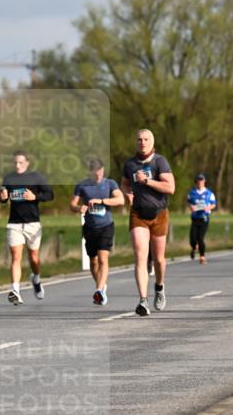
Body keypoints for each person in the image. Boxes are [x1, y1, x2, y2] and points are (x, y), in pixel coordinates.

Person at [121, 129, 175, 316]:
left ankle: (159, 287)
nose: (142, 142)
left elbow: (170, 187)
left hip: (159, 213)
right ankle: (143, 300)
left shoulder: (160, 162)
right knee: (140, 255)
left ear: (151, 142)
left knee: (159, 259)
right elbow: (125, 183)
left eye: (145, 139)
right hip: (138, 214)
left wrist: (148, 181)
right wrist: (127, 193)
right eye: (139, 140)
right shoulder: (130, 163)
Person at [0, 151, 53, 305]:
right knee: (16, 256)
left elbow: (49, 194)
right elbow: (3, 196)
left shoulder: (36, 177)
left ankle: (36, 278)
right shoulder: (9, 178)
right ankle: (15, 290)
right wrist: (2, 197)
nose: (17, 165)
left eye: (21, 162)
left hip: (33, 223)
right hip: (14, 224)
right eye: (15, 162)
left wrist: (35, 197)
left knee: (34, 258)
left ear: (27, 163)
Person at [70, 158, 124, 305]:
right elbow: (72, 204)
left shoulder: (110, 183)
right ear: (90, 172)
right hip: (90, 227)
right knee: (93, 261)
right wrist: (78, 208)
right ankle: (100, 286)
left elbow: (120, 200)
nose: (98, 175)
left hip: (106, 225)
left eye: (100, 171)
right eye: (95, 172)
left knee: (102, 259)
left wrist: (102, 201)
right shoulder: (82, 185)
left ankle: (99, 291)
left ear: (103, 170)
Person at [187, 174, 217, 264]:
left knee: (200, 238)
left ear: (204, 181)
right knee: (192, 238)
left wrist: (208, 207)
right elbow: (189, 202)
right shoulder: (192, 193)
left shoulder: (209, 193)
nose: (200, 182)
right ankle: (193, 247)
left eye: (201, 180)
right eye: (198, 180)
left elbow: (214, 204)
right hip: (195, 217)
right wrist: (191, 207)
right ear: (196, 182)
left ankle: (202, 256)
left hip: (204, 218)